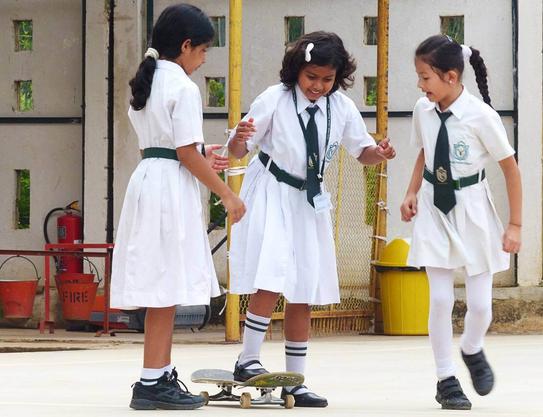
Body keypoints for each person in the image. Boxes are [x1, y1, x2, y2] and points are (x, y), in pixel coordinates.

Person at [227, 31, 396, 407]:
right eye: (311, 77)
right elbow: (239, 149)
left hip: (310, 199)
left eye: (327, 79)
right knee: (271, 274)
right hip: (272, 191)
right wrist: (239, 136)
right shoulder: (274, 99)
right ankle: (247, 359)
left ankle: (295, 381)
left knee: (305, 284)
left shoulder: (342, 108)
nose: (318, 86)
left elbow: (361, 152)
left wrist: (379, 153)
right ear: (296, 71)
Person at [110, 3, 245, 410]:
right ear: (186, 46)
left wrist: (206, 155)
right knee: (166, 285)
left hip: (150, 179)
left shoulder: (149, 84)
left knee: (160, 286)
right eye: (203, 50)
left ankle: (157, 374)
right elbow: (185, 153)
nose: (204, 60)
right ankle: (152, 382)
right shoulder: (184, 88)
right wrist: (227, 192)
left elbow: (170, 148)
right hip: (170, 189)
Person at [400, 34, 522, 411]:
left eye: (425, 77)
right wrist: (410, 192)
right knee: (438, 298)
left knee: (481, 306)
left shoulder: (481, 116)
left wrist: (515, 225)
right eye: (419, 78)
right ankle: (446, 378)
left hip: (473, 210)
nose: (420, 85)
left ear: (450, 76)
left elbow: (510, 171)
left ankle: (472, 348)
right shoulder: (423, 109)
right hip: (434, 207)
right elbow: (424, 150)